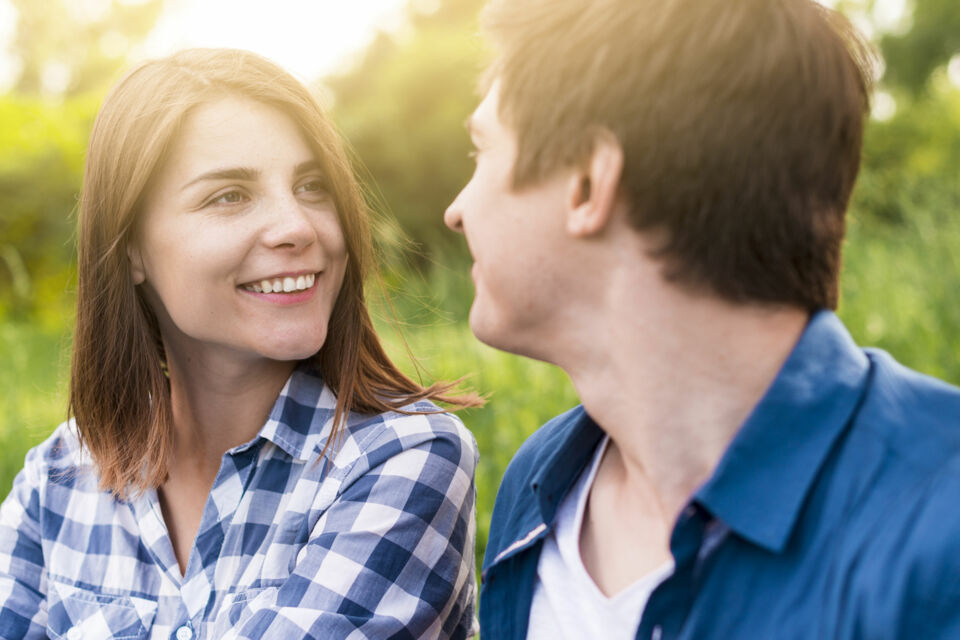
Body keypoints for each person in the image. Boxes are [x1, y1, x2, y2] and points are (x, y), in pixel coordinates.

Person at [443, 0, 960, 638]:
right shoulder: (540, 482)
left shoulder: (941, 529)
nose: (456, 210)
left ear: (586, 182)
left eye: (480, 151)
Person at [0, 48, 479, 640]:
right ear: (130, 248)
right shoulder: (58, 481)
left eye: (312, 186)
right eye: (229, 196)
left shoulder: (402, 461)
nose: (297, 227)